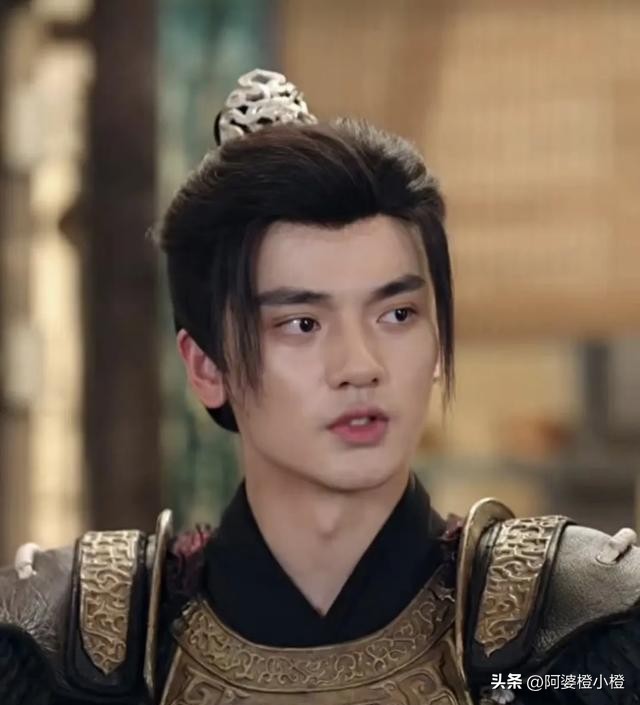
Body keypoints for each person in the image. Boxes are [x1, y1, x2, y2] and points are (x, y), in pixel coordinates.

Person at [1, 69, 639, 705]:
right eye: (302, 324)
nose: (360, 365)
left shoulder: (569, 637)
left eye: (397, 315)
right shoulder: (76, 655)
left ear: (439, 341)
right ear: (207, 368)